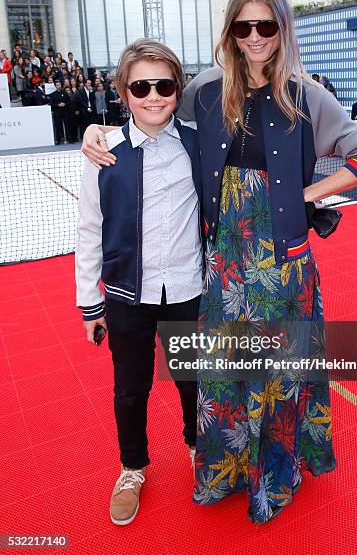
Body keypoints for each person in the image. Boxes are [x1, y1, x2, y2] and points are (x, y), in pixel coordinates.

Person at [81, 0, 357, 524]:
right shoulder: (205, 89)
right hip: (223, 265)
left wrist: (302, 193)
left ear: (282, 26)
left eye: (266, 23)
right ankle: (226, 470)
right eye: (244, 25)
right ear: (230, 31)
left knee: (279, 375)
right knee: (225, 374)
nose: (255, 35)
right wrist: (97, 130)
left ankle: (275, 473)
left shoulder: (307, 95)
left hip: (285, 266)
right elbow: (151, 113)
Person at [75, 39, 202, 527]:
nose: (153, 96)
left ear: (179, 89)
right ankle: (132, 468)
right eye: (140, 86)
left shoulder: (197, 141)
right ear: (123, 93)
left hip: (187, 286)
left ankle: (196, 445)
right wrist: (90, 304)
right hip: (128, 294)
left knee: (191, 380)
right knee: (131, 388)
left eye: (164, 85)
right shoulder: (103, 154)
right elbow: (89, 231)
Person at [49, 79, 69, 144]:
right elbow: (51, 104)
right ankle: (58, 139)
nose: (59, 86)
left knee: (67, 125)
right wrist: (58, 105)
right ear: (55, 86)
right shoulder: (53, 94)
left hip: (65, 111)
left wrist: (65, 104)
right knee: (58, 126)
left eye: (59, 85)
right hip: (57, 112)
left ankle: (69, 138)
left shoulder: (65, 93)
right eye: (57, 85)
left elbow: (69, 101)